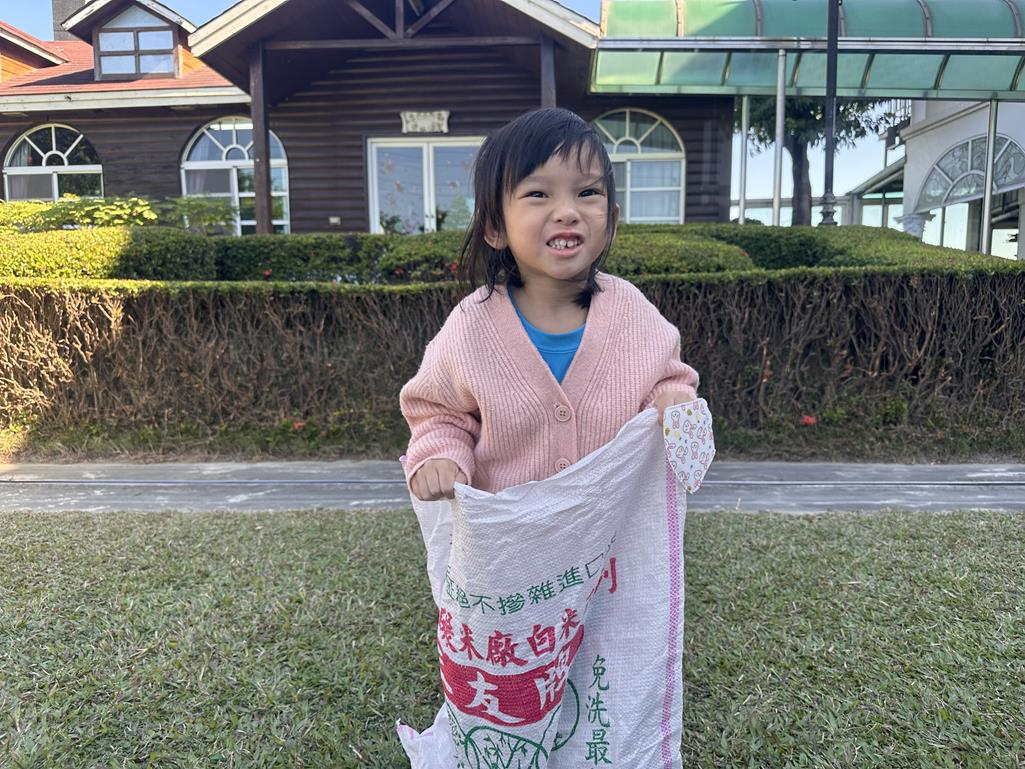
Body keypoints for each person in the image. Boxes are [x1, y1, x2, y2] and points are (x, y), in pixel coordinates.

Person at [400, 108, 699, 500]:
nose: (567, 212)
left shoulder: (632, 313)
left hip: (608, 531)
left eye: (587, 192)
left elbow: (668, 381)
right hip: (508, 531)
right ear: (495, 227)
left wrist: (673, 402)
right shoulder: (471, 325)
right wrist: (440, 454)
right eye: (538, 194)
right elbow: (440, 413)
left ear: (611, 221)